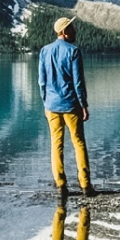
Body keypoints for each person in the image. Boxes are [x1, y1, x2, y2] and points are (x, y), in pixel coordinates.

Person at [38, 16, 91, 197]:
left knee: (56, 144)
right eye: (71, 28)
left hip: (51, 106)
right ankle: (85, 185)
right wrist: (83, 104)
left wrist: (45, 100)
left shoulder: (45, 51)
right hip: (71, 105)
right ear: (64, 32)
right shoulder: (73, 51)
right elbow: (78, 82)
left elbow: (42, 81)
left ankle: (61, 186)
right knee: (79, 143)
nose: (74, 31)